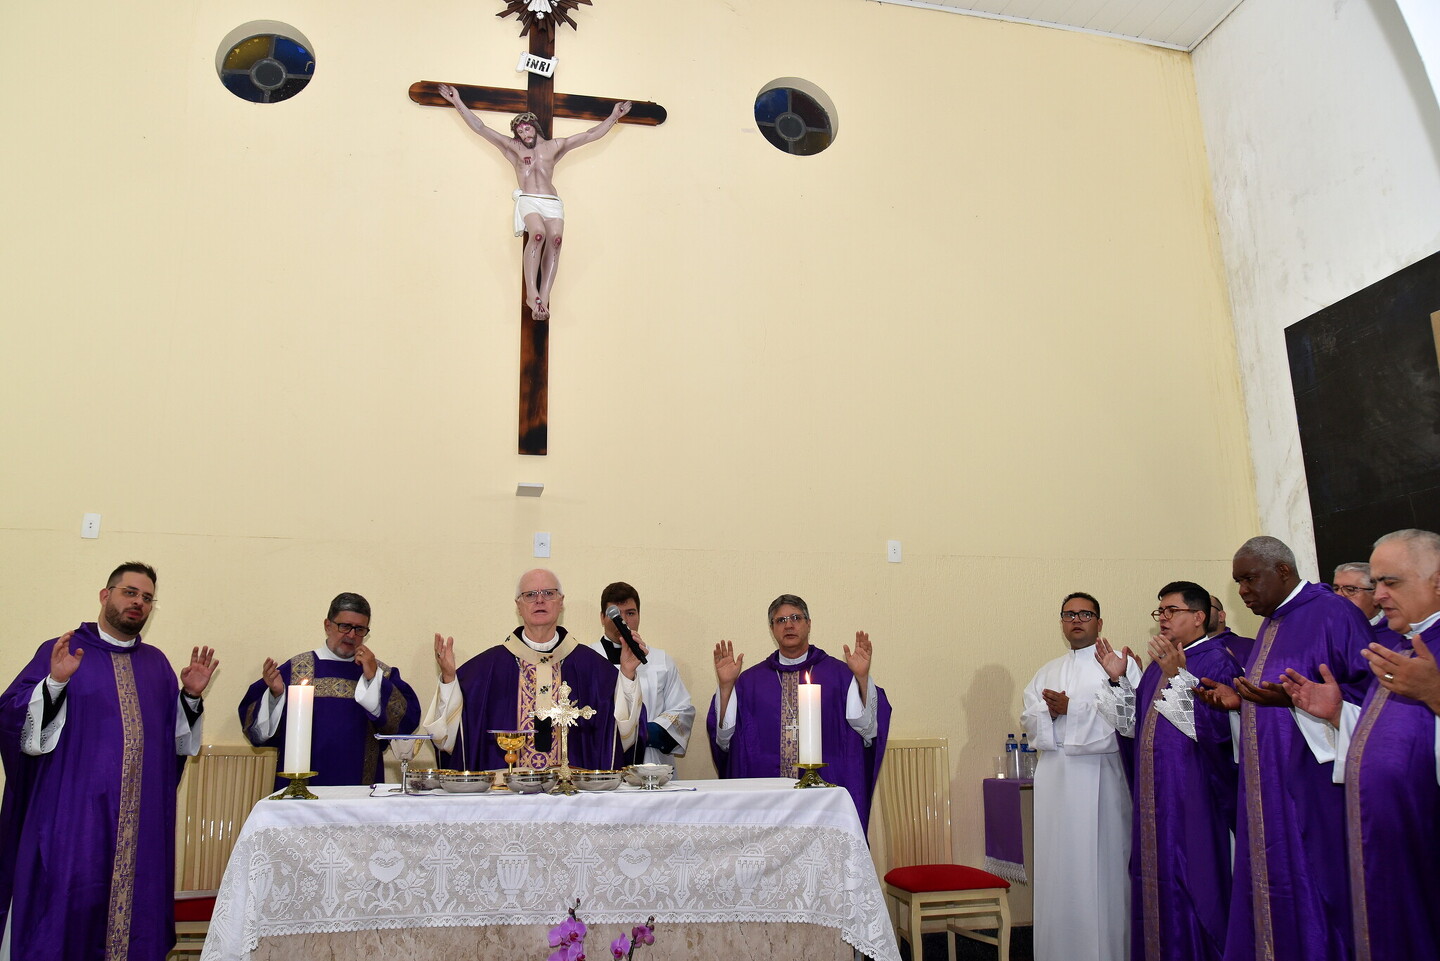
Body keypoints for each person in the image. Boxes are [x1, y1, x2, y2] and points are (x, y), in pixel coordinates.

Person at [0, 562, 217, 961]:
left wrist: (189, 697)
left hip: (140, 822)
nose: (138, 603)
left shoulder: (157, 664)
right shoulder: (63, 650)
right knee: (68, 909)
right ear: (105, 595)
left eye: (147, 598)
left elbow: (172, 746)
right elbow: (14, 720)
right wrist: (55, 684)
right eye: (130, 592)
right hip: (73, 820)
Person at [1192, 536, 1370, 961]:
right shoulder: (1273, 623)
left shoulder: (1333, 613)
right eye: (1238, 582)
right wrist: (1240, 702)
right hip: (1267, 790)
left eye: (1249, 579)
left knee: (1315, 889)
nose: (1242, 591)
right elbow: (1276, 700)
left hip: (1312, 789)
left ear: (1283, 571)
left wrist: (1299, 702)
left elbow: (1369, 695)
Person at [1282, 529, 1440, 961]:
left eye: (1391, 582)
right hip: (1391, 843)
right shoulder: (1396, 647)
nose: (1380, 595)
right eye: (1376, 583)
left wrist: (1436, 694)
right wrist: (1338, 714)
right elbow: (1395, 743)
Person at [1096, 582, 1241, 961]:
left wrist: (1179, 677)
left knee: (1191, 882)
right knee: (1154, 883)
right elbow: (1138, 728)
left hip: (1194, 798)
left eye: (1171, 610)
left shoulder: (1217, 661)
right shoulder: (1158, 666)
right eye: (1159, 611)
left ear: (1199, 616)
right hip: (1156, 800)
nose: (1162, 617)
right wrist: (1119, 681)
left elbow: (1221, 734)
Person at [436, 83, 631, 321]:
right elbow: (480, 127)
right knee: (537, 234)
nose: (524, 135)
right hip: (529, 199)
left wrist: (614, 116)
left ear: (535, 128)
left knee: (556, 240)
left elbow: (589, 135)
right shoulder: (513, 148)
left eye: (527, 129)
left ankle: (544, 298)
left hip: (551, 200)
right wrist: (457, 101)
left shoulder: (554, 146)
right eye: (520, 131)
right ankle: (532, 295)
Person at [424, 569, 643, 770]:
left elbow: (624, 734)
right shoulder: (485, 670)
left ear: (561, 602)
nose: (540, 600)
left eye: (548, 593)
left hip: (573, 791)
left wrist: (627, 675)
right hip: (505, 791)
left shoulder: (593, 668)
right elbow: (445, 737)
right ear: (518, 606)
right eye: (530, 595)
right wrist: (449, 679)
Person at [1021, 592, 1140, 961]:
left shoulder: (1120, 665)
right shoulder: (1047, 671)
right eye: (1069, 614)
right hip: (1055, 780)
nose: (1076, 620)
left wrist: (1072, 709)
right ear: (1061, 622)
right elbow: (1028, 719)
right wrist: (1050, 714)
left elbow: (1131, 720)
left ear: (1099, 622)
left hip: (1102, 777)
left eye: (1085, 614)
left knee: (1102, 872)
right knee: (1058, 871)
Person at [707, 594, 890, 830]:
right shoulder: (751, 681)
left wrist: (861, 678)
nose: (789, 625)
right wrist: (726, 687)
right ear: (772, 628)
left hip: (823, 799)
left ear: (808, 623)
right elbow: (725, 741)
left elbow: (867, 730)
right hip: (768, 800)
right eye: (781, 620)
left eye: (795, 618)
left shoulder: (839, 674)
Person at [238, 592, 421, 787]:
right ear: (327, 625)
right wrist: (275, 695)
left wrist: (374, 680)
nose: (351, 635)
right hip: (303, 786)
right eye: (345, 626)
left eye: (359, 629)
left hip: (360, 785)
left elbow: (405, 723)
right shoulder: (298, 669)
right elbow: (255, 730)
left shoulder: (379, 673)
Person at [588, 582, 694, 767]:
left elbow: (682, 710)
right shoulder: (587, 660)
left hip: (651, 764)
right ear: (602, 617)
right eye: (615, 614)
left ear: (639, 616)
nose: (623, 621)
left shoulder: (661, 661)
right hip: (602, 763)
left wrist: (644, 732)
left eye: (630, 613)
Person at [1331, 561, 1395, 645]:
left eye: (1350, 590)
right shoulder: (1328, 632)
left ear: (1375, 595)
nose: (1338, 596)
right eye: (1336, 589)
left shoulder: (1397, 631)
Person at [1208, 593, 1254, 668]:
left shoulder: (1249, 647)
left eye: (1206, 607)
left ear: (1221, 616)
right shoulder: (1188, 650)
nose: (1199, 613)